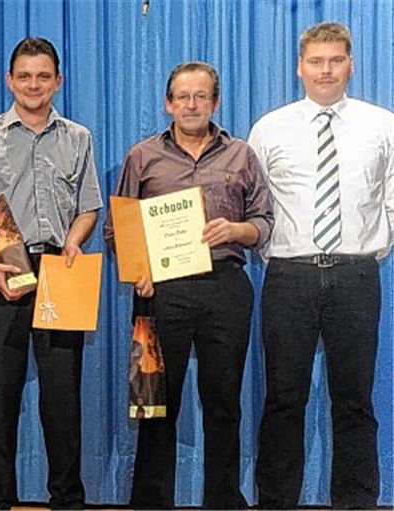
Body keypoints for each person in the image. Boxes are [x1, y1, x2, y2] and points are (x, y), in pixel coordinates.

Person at [104, 61, 273, 509]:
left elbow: (264, 223)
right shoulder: (142, 156)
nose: (192, 104)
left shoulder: (241, 155)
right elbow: (116, 229)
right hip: (160, 292)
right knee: (155, 405)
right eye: (183, 96)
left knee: (223, 405)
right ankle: (150, 503)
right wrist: (138, 267)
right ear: (168, 103)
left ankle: (223, 501)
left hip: (225, 288)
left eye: (201, 96)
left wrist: (237, 231)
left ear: (215, 102)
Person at [249, 22, 394, 509]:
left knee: (354, 402)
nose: (326, 70)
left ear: (351, 64)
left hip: (356, 275)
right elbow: (256, 205)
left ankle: (356, 503)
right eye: (316, 61)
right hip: (290, 276)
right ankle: (276, 503)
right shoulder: (269, 128)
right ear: (300, 67)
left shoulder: (383, 125)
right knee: (284, 399)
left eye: (335, 60)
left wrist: (373, 250)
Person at [0, 37, 99, 510]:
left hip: (60, 267)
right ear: (9, 81)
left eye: (43, 76)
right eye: (24, 76)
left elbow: (89, 206)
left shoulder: (79, 137)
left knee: (62, 398)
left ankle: (67, 500)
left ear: (58, 81)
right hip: (0, 272)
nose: (33, 85)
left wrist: (75, 237)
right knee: (0, 395)